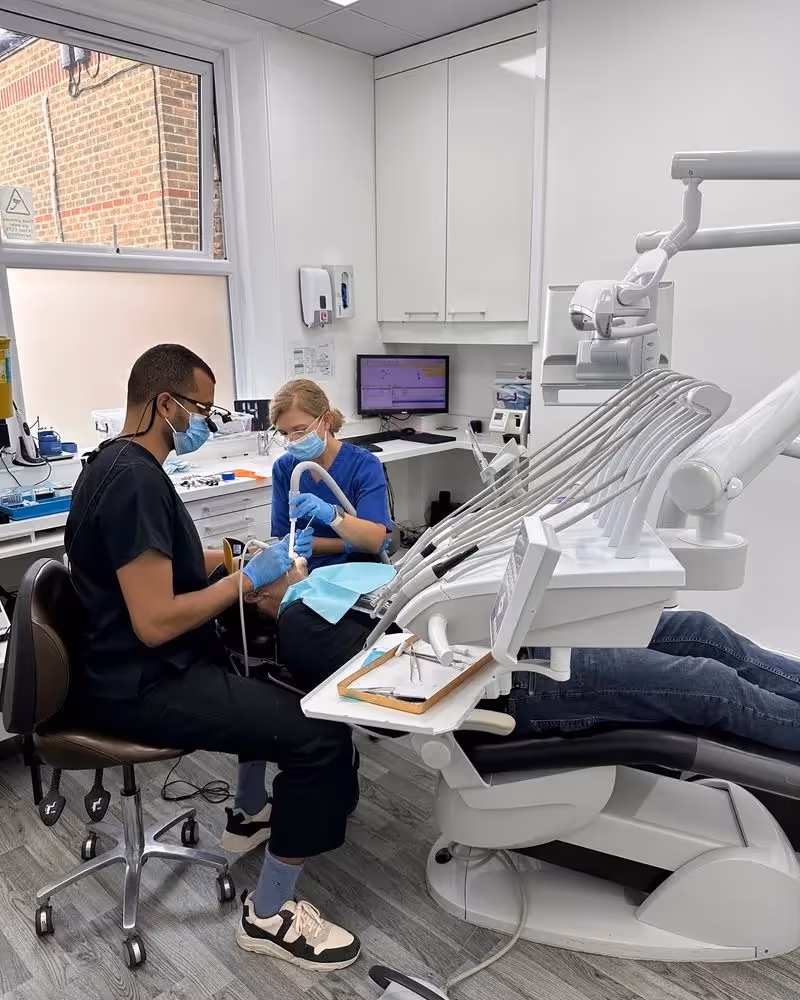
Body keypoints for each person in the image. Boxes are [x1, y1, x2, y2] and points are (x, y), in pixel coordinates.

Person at [64, 344, 361, 972]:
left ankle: (252, 814)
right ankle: (270, 915)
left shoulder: (110, 466)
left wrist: (236, 557)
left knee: (258, 671)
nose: (206, 422)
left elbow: (159, 569)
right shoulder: (135, 481)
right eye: (201, 408)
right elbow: (153, 620)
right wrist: (247, 584)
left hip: (123, 669)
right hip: (143, 685)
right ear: (163, 403)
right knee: (321, 738)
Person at [236, 565, 800, 752]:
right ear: (256, 595)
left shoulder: (332, 589)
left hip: (525, 634)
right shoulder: (299, 622)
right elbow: (381, 682)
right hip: (514, 682)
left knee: (698, 631)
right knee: (704, 682)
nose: (283, 557)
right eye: (264, 563)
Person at [269, 379, 392, 570]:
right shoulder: (284, 469)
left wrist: (332, 516)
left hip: (358, 572)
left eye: (300, 430)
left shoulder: (364, 465)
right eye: (285, 434)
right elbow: (286, 539)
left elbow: (375, 540)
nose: (292, 441)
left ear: (326, 421)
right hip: (306, 573)